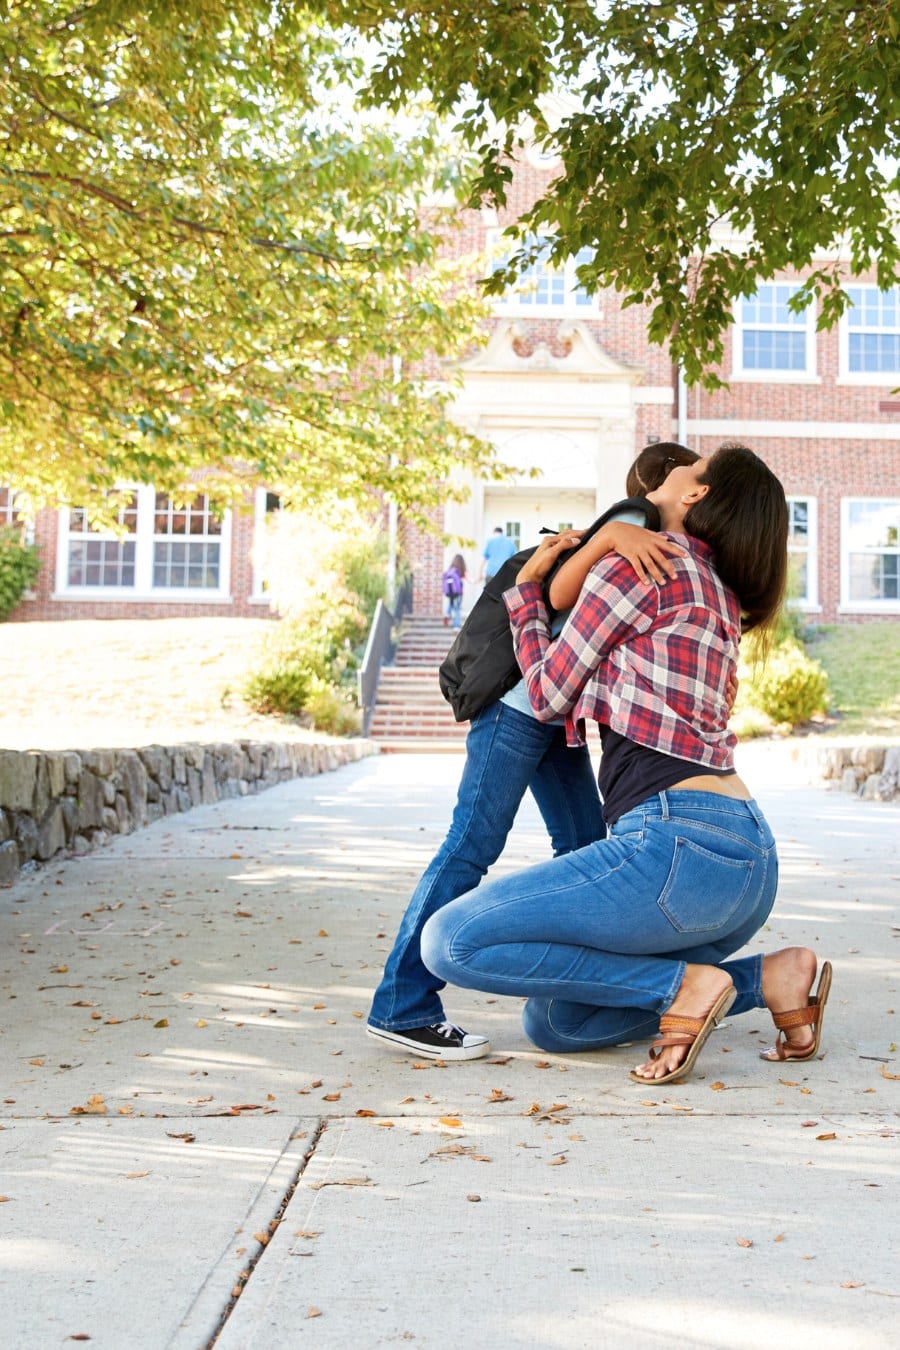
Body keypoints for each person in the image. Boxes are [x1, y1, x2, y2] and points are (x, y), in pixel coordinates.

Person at [421, 443, 832, 1085]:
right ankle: (766, 978)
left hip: (675, 846)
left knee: (452, 940)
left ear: (695, 495)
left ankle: (682, 987)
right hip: (750, 860)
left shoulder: (641, 569)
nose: (676, 470)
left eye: (692, 470)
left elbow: (552, 693)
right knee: (559, 1023)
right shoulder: (722, 593)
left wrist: (527, 595)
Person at [366, 444, 699, 1061]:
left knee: (588, 851)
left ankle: (616, 997)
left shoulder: (637, 529)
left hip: (552, 716)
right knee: (471, 847)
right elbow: (562, 594)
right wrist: (610, 542)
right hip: (520, 708)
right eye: (694, 472)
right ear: (662, 481)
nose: (703, 483)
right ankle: (401, 1007)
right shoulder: (635, 519)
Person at [442, 554, 466, 629]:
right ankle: (456, 625)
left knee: (451, 603)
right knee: (457, 608)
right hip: (458, 593)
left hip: (450, 592)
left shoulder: (450, 570)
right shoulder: (459, 570)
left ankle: (447, 614)